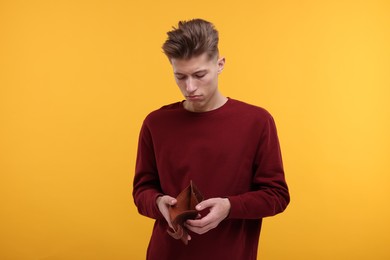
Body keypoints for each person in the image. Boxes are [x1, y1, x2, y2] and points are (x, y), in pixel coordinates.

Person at [133, 18, 290, 260]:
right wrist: (158, 204)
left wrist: (229, 207)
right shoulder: (155, 123)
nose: (190, 87)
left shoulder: (257, 121)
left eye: (199, 74)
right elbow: (142, 190)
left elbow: (277, 195)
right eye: (180, 77)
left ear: (220, 64)